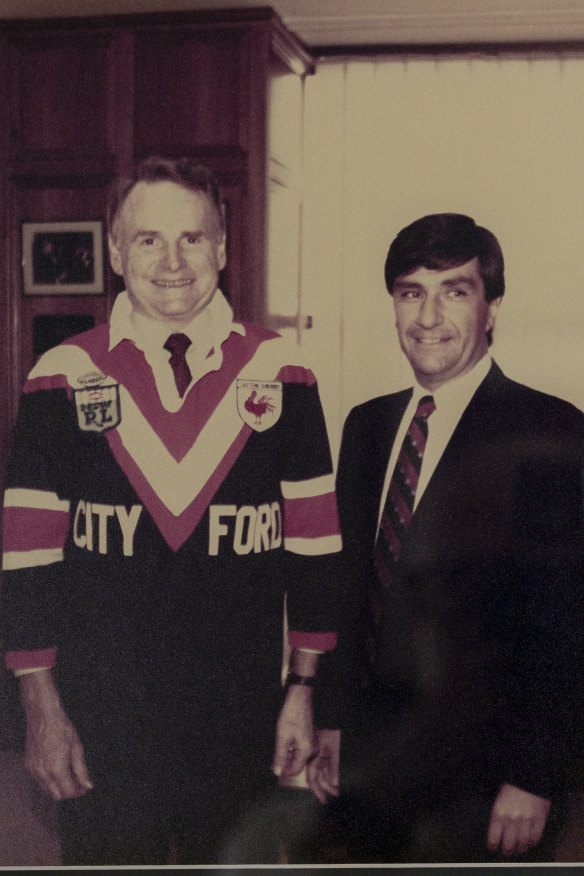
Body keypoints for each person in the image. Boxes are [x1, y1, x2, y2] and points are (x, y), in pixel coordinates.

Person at [1, 156, 342, 865]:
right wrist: (40, 708)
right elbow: (27, 560)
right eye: (149, 239)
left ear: (222, 248)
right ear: (117, 253)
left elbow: (315, 548)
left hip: (240, 720)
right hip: (103, 721)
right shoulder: (60, 375)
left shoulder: (283, 372)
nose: (173, 259)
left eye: (193, 238)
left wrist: (305, 689)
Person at [307, 213, 584, 863]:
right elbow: (350, 584)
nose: (429, 317)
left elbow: (567, 623)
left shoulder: (550, 430)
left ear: (490, 310)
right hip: (378, 754)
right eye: (412, 293)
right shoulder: (366, 425)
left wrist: (536, 775)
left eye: (455, 291)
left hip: (491, 770)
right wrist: (333, 718)